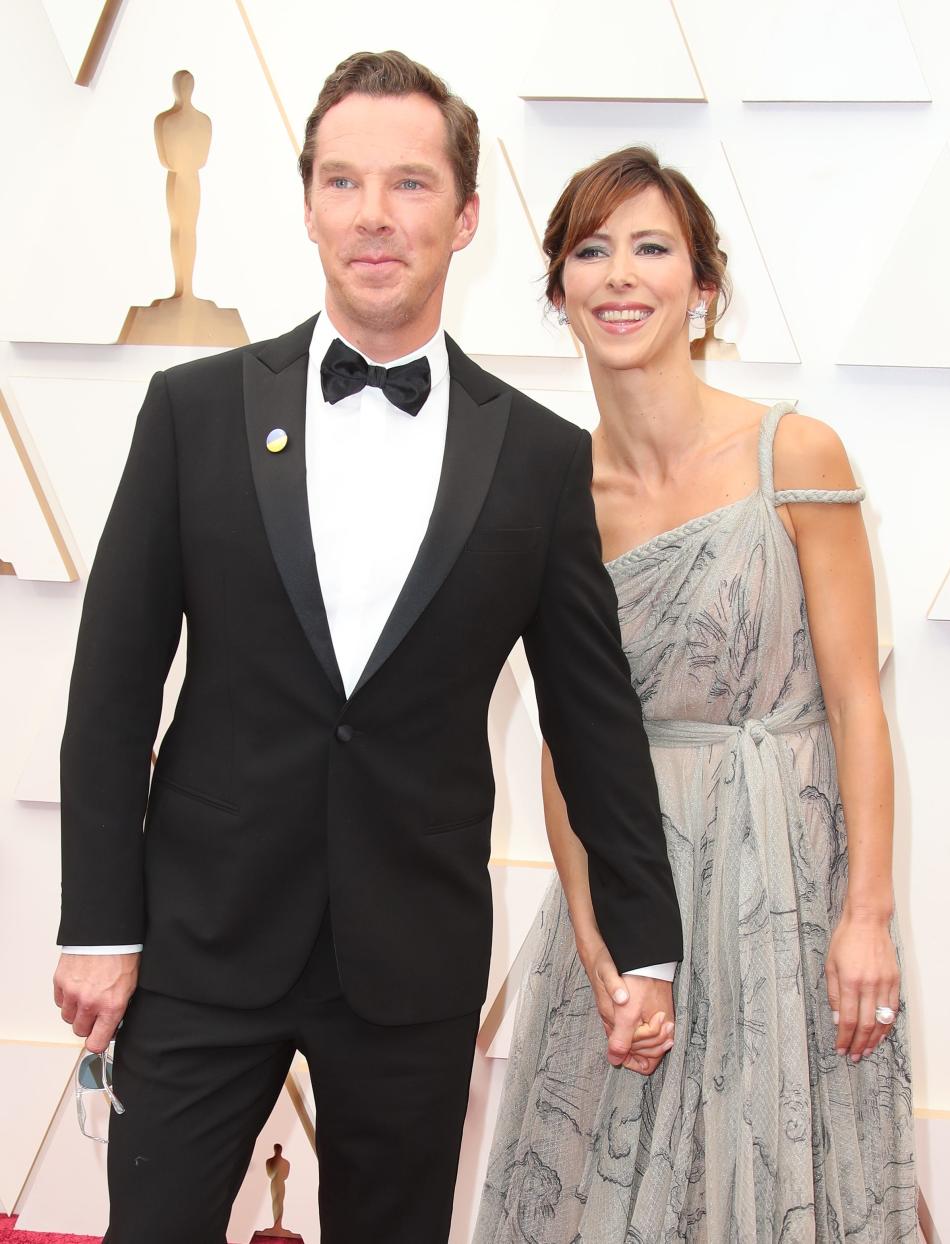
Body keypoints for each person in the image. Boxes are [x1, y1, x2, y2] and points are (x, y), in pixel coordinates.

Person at [52, 55, 683, 1244]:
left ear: (466, 214)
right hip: (201, 935)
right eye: (343, 181)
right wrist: (99, 921)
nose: (374, 215)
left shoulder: (540, 457)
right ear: (306, 207)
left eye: (407, 182)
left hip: (412, 952)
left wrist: (644, 941)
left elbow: (593, 723)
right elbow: (112, 686)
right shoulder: (191, 412)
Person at [476, 147, 917, 1243]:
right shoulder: (552, 492)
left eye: (651, 247)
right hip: (636, 889)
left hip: (789, 886)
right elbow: (563, 744)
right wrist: (595, 946)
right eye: (590, 248)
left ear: (703, 287)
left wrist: (868, 912)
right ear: (559, 288)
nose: (620, 274)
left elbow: (860, 703)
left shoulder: (793, 453)